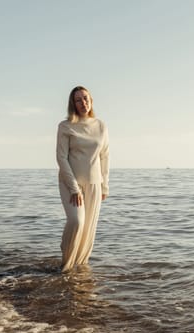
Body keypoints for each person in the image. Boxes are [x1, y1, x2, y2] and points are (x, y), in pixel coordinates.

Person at [56, 85, 109, 273]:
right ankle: (65, 261)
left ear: (91, 100)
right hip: (70, 183)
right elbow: (61, 157)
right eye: (78, 100)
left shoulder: (101, 126)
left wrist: (104, 186)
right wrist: (74, 188)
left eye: (85, 98)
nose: (83, 102)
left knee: (88, 230)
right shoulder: (65, 126)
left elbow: (104, 156)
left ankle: (79, 268)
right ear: (73, 104)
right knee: (76, 222)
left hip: (94, 184)